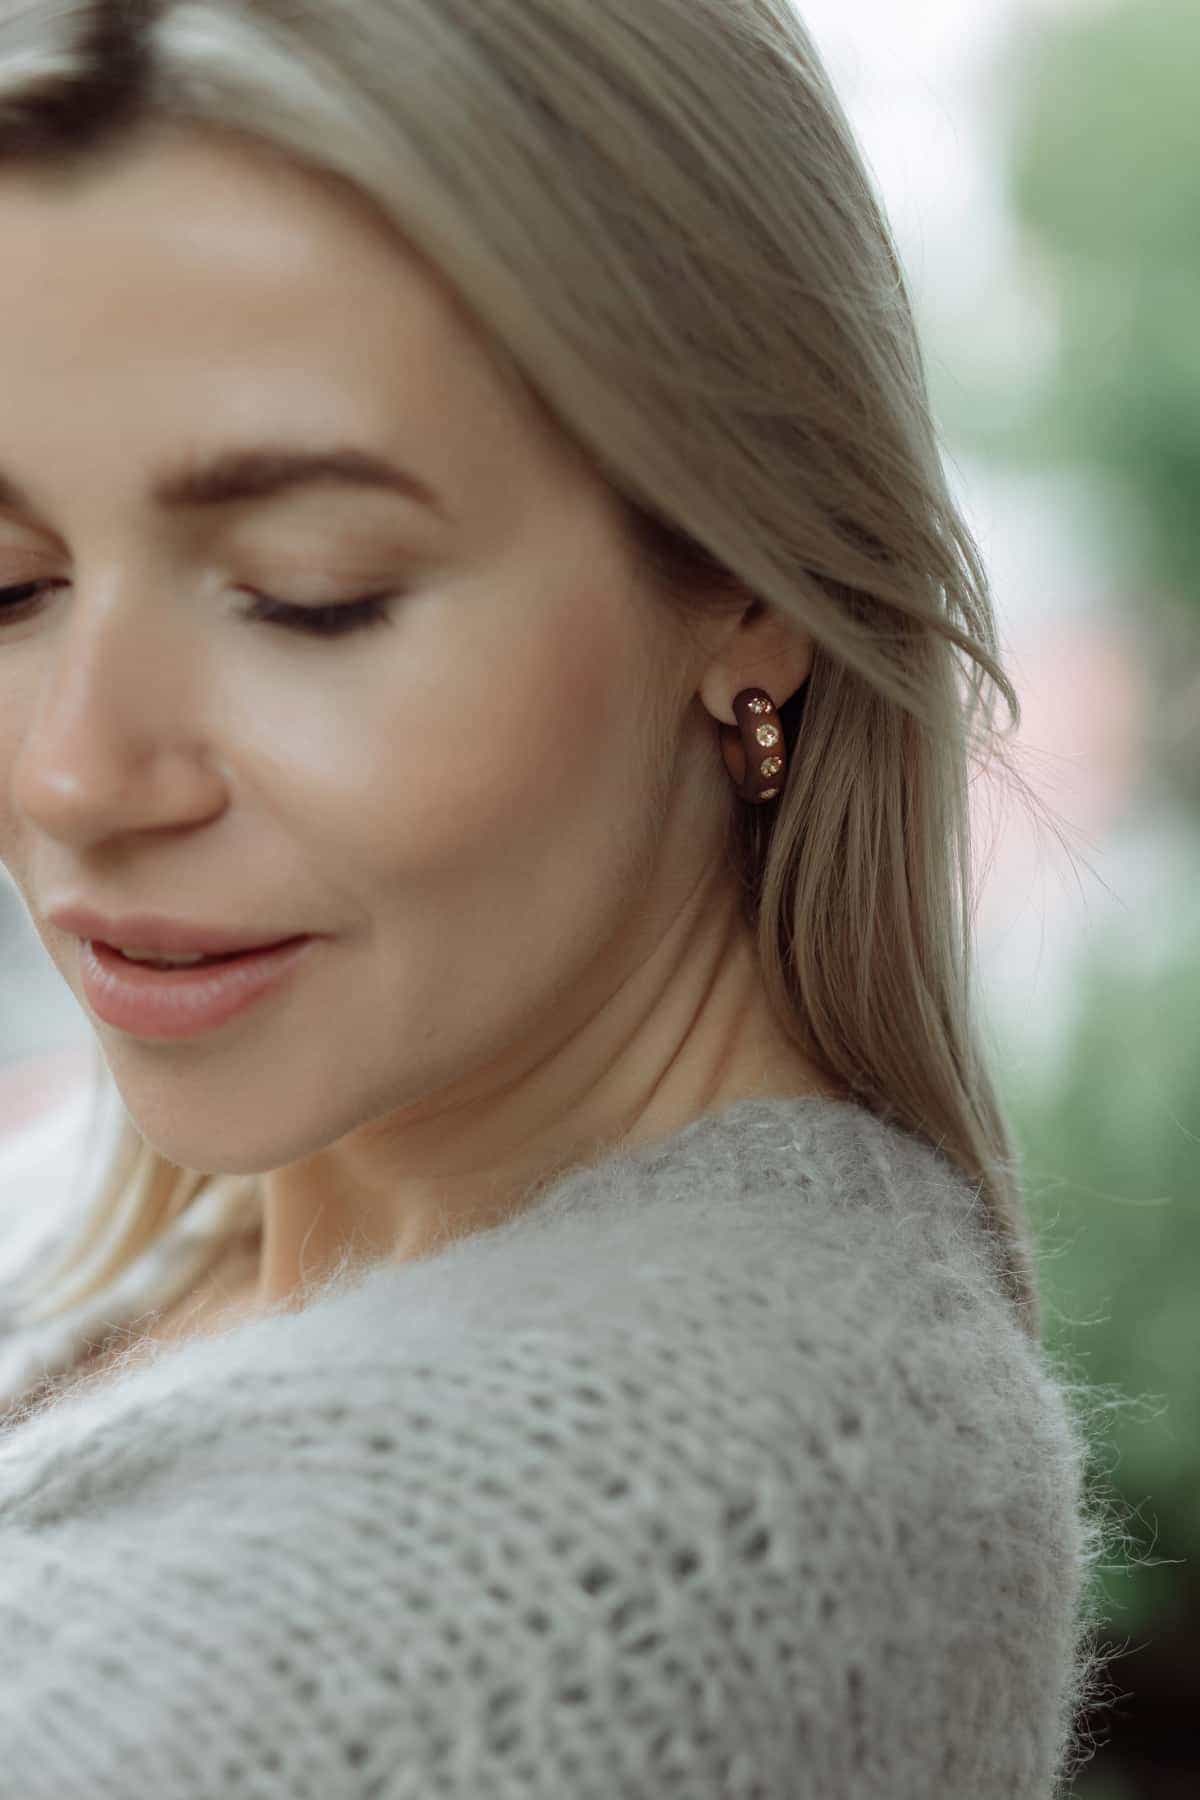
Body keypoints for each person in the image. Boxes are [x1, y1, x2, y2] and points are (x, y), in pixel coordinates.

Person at [0, 2, 1117, 1795]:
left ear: (750, 579)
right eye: (8, 586)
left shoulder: (705, 1517)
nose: (72, 773)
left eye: (312, 593)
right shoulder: (166, 1188)